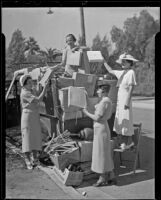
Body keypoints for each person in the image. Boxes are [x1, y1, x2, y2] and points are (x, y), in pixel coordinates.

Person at [82, 84, 116, 187]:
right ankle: (111, 176)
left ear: (104, 91)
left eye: (99, 90)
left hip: (101, 129)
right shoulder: (106, 101)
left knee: (101, 154)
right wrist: (87, 98)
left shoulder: (104, 102)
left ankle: (102, 178)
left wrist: (85, 112)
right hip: (102, 128)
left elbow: (97, 117)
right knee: (104, 153)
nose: (97, 91)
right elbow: (97, 111)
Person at [103, 53, 138, 150]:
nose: (122, 63)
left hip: (125, 100)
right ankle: (125, 142)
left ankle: (127, 142)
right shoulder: (122, 73)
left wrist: (127, 101)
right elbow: (110, 70)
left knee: (126, 120)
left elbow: (131, 88)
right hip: (120, 100)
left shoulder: (131, 72)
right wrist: (104, 62)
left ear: (130, 63)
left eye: (125, 61)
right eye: (122, 61)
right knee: (120, 120)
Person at [19, 74, 49, 169]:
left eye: (32, 82)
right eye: (29, 83)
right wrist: (45, 89)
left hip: (34, 116)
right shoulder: (25, 93)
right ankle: (27, 159)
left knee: (35, 137)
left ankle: (35, 159)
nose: (31, 84)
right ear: (24, 84)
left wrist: (41, 83)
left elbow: (38, 92)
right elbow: (38, 99)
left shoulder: (30, 90)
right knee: (27, 139)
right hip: (28, 117)